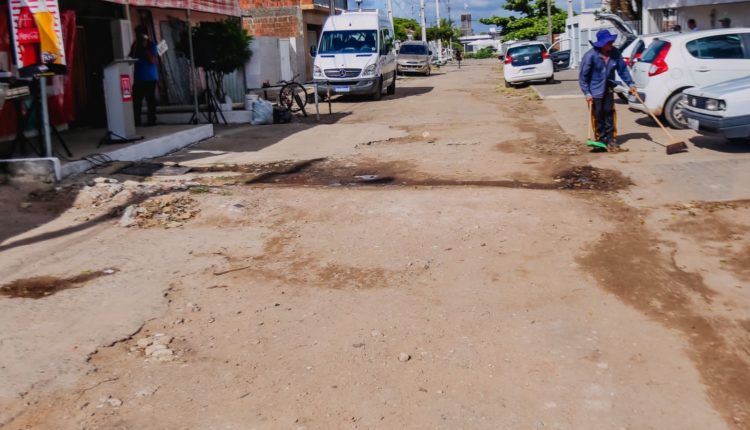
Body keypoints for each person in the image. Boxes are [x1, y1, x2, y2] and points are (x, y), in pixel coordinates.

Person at [579, 29, 638, 153]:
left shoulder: (615, 53)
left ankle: (611, 139)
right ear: (601, 44)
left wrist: (630, 84)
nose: (611, 44)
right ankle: (600, 140)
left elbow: (623, 70)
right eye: (609, 42)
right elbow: (583, 77)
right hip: (594, 90)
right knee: (598, 115)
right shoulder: (590, 56)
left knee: (609, 113)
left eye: (611, 42)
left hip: (608, 87)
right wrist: (587, 93)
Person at [129, 25, 158, 127]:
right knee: (136, 101)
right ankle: (136, 121)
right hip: (139, 77)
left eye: (139, 34)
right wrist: (136, 46)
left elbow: (152, 60)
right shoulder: (135, 45)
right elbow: (130, 58)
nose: (137, 36)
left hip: (150, 77)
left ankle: (152, 120)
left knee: (150, 100)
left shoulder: (151, 45)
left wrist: (145, 48)